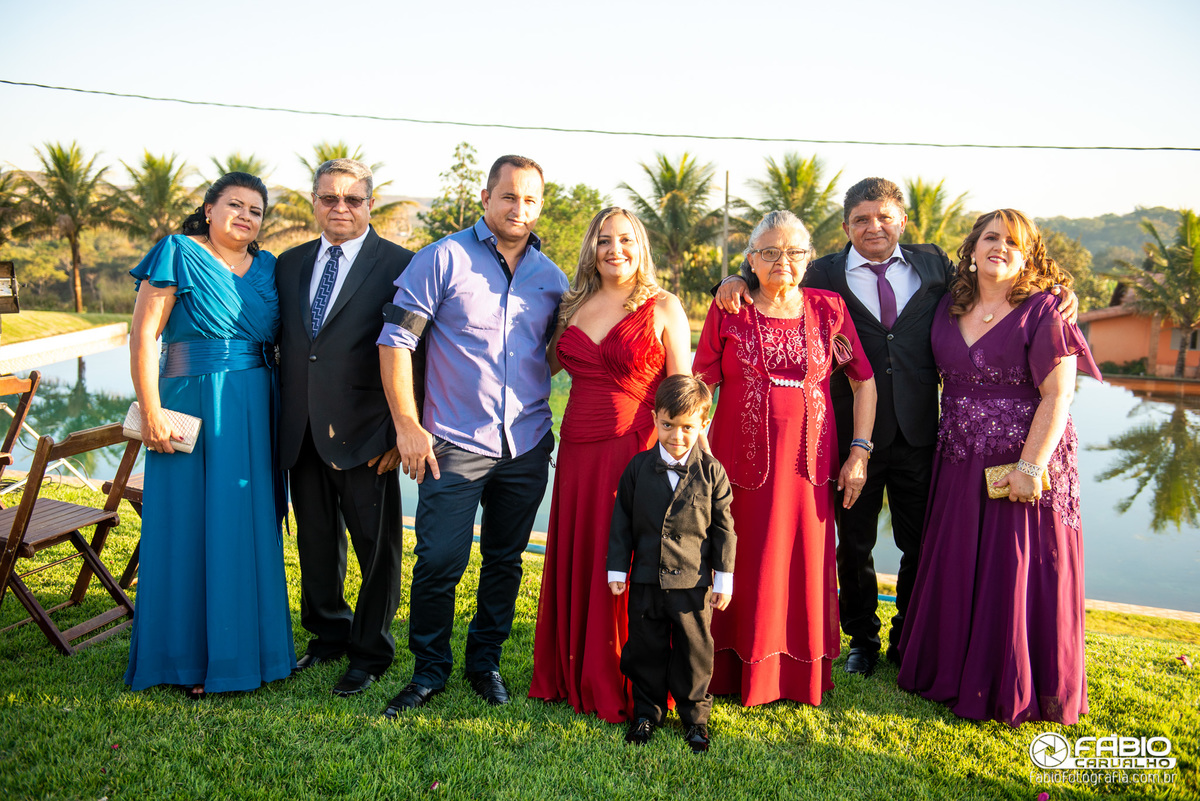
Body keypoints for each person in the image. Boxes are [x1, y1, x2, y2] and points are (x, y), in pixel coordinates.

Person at [715, 178, 1078, 677]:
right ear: (846, 226)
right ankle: (861, 639)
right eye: (861, 219)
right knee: (854, 544)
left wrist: (1059, 292)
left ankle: (908, 634)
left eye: (884, 217)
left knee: (920, 541)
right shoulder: (821, 272)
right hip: (849, 436)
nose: (874, 227)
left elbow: (999, 280)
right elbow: (773, 266)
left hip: (924, 433)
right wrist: (732, 281)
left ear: (902, 221)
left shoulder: (935, 266)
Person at [377, 155, 568, 715]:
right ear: (486, 198)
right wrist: (407, 425)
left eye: (530, 199)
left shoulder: (552, 278)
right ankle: (429, 670)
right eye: (508, 196)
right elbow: (396, 343)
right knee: (439, 561)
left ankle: (484, 663)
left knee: (505, 560)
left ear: (540, 206)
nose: (519, 208)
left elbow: (554, 353)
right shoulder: (442, 258)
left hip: (526, 444)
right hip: (453, 444)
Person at [897, 209, 1101, 726]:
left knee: (1013, 568)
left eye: (1014, 242)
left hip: (1025, 461)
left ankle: (1010, 683)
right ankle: (950, 672)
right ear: (972, 247)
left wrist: (1030, 467)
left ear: (1028, 255)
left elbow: (1059, 395)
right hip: (960, 460)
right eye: (991, 237)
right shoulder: (948, 303)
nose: (1001, 248)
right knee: (961, 561)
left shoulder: (1046, 310)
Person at [694, 210, 876, 706]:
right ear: (750, 259)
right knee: (739, 556)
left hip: (809, 465)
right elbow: (701, 382)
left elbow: (863, 381)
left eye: (794, 252)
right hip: (738, 461)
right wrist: (697, 448)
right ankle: (729, 668)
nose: (782, 261)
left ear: (809, 257)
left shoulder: (829, 310)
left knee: (801, 561)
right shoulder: (729, 308)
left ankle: (795, 674)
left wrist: (859, 451)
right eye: (770, 252)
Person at [125, 172, 293, 696]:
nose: (245, 216)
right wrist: (151, 412)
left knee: (245, 522)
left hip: (257, 402)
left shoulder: (268, 266)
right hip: (190, 401)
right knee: (187, 523)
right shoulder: (176, 252)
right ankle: (185, 659)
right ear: (208, 208)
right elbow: (143, 336)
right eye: (235, 205)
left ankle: (247, 653)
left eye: (256, 211)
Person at [528, 207, 691, 723]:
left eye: (625, 240)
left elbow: (682, 392)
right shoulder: (572, 304)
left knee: (631, 556)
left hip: (636, 451)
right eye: (603, 240)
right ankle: (574, 667)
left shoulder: (664, 306)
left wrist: (689, 460)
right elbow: (540, 363)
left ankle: (630, 676)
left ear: (640, 246)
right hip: (578, 450)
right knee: (584, 552)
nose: (614, 250)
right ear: (590, 249)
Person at [276, 159, 415, 697]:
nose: (341, 208)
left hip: (368, 435)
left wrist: (400, 431)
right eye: (329, 198)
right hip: (301, 430)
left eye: (352, 199)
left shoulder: (401, 265)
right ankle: (328, 633)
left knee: (376, 550)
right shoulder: (289, 264)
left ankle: (371, 650)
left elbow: (419, 354)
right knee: (315, 542)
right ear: (314, 201)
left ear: (370, 205)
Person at [606, 375, 735, 752]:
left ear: (703, 424)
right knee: (645, 649)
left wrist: (723, 579)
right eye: (667, 425)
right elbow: (621, 521)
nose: (676, 436)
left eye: (687, 427)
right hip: (646, 581)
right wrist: (618, 569)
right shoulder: (637, 468)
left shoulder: (712, 472)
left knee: (695, 652)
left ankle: (695, 719)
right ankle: (646, 712)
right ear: (655, 418)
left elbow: (725, 529)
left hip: (693, 585)